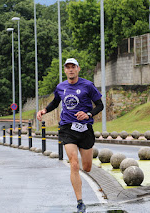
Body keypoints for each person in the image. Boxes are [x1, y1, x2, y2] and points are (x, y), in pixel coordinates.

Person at [37, 58, 104, 213]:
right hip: (67, 128)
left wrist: (88, 114)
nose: (71, 70)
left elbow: (100, 105)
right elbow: (55, 102)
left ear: (78, 69)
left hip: (85, 129)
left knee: (86, 167)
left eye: (73, 67)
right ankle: (80, 202)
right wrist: (44, 111)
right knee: (74, 163)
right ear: (65, 70)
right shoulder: (61, 87)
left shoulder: (87, 85)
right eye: (68, 67)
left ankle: (82, 175)